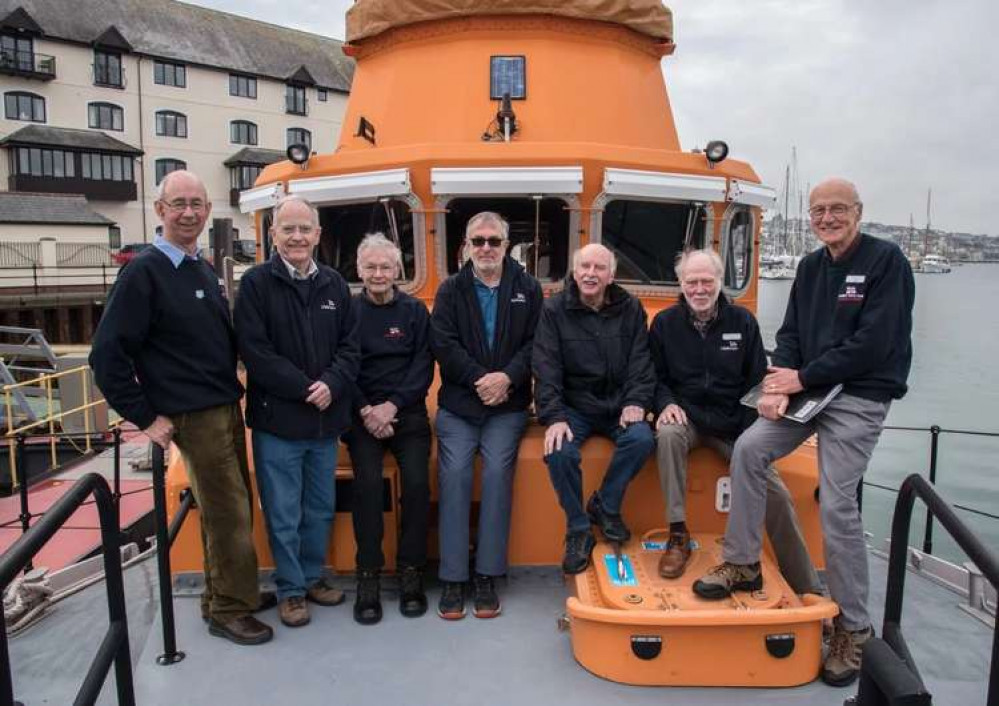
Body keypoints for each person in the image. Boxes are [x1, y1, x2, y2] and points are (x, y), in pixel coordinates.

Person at [693, 178, 915, 687]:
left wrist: (802, 377)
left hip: (858, 394)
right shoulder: (812, 267)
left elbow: (875, 343)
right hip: (808, 390)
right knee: (749, 448)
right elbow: (790, 334)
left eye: (838, 209)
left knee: (837, 502)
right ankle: (743, 562)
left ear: (858, 212)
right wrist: (776, 383)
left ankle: (854, 628)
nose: (827, 218)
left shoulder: (887, 264)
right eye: (819, 210)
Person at [90, 170, 272, 645]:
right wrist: (145, 417)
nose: (189, 212)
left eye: (197, 203)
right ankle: (230, 610)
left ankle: (231, 592)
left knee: (232, 505)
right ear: (160, 210)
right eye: (179, 204)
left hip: (224, 405)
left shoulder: (199, 267)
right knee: (228, 512)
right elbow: (106, 354)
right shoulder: (144, 272)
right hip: (194, 414)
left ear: (209, 211)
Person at [650, 249, 819, 593]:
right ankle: (677, 534)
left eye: (706, 281)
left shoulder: (743, 322)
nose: (700, 289)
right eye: (692, 282)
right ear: (681, 285)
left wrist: (748, 434)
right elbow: (655, 376)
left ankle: (807, 585)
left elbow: (757, 380)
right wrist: (665, 403)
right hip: (690, 419)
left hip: (735, 424)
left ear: (719, 282)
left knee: (778, 493)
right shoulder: (665, 325)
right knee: (667, 434)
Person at [234, 195, 359, 629]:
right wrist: (309, 388)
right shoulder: (254, 285)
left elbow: (350, 346)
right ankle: (290, 590)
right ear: (273, 235)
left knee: (320, 508)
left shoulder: (335, 286)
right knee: (283, 512)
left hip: (324, 424)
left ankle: (311, 576)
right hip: (279, 425)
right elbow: (256, 352)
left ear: (318, 235)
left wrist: (333, 383)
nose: (297, 237)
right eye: (288, 229)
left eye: (305, 229)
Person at [430, 212, 542, 620]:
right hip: (460, 405)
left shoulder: (528, 289)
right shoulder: (450, 291)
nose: (486, 249)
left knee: (497, 475)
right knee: (455, 474)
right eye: (478, 241)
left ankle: (486, 574)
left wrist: (508, 378)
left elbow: (535, 343)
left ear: (507, 244)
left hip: (507, 407)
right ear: (465, 245)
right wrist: (481, 379)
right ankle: (453, 576)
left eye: (494, 241)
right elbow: (443, 343)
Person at [533, 243, 656, 574]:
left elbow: (641, 362)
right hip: (576, 405)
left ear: (611, 275)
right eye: (584, 267)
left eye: (599, 268)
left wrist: (636, 401)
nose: (590, 273)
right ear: (575, 273)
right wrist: (555, 417)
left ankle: (606, 504)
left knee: (643, 439)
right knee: (559, 452)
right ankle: (578, 529)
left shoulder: (631, 308)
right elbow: (546, 367)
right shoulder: (554, 310)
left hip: (618, 404)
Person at [344, 233, 434, 625]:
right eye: (371, 267)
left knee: (417, 485)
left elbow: (423, 367)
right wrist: (367, 409)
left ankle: (411, 571)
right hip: (361, 415)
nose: (378, 274)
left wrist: (391, 406)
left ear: (398, 270)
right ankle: (368, 576)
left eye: (385, 267)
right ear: (359, 270)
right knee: (366, 487)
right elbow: (343, 366)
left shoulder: (415, 312)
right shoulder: (347, 313)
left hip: (407, 413)